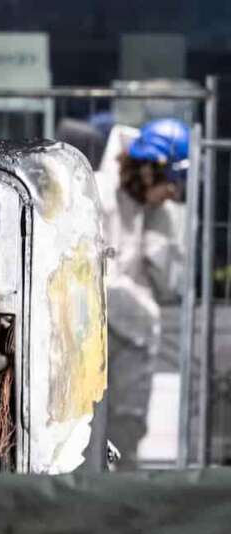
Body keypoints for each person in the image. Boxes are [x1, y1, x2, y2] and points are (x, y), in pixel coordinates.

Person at [95, 118, 189, 469]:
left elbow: (169, 287)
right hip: (88, 333)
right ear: (150, 170)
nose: (173, 194)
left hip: (132, 342)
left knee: (125, 433)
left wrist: (157, 241)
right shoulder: (96, 192)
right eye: (171, 183)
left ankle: (122, 487)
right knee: (81, 430)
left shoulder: (157, 214)